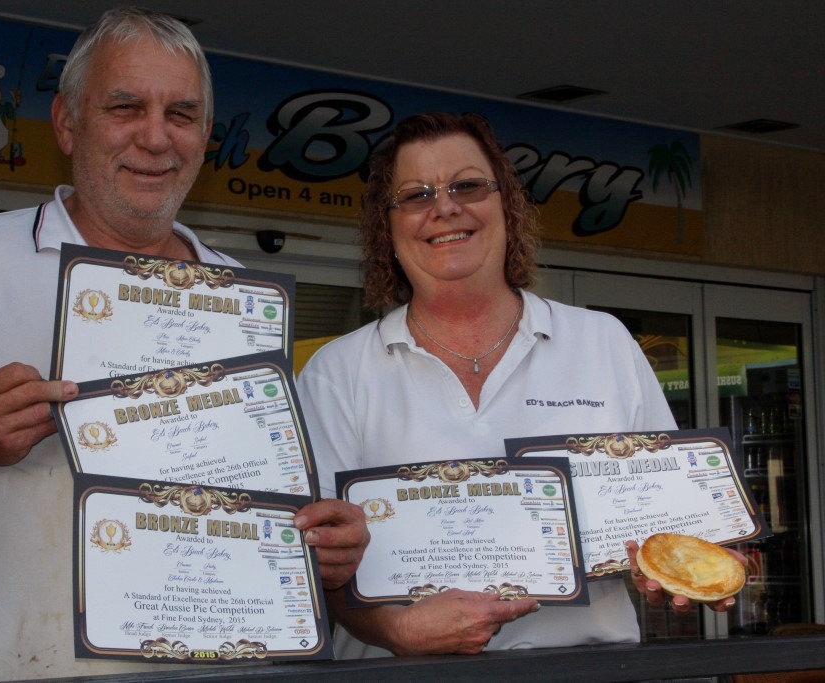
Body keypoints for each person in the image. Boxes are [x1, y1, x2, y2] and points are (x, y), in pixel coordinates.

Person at [0, 8, 366, 682]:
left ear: (203, 136)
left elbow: (278, 501)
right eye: (125, 106)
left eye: (182, 114)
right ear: (67, 122)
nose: (155, 137)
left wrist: (325, 541)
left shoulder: (244, 301)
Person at [296, 111, 740, 659]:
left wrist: (705, 558)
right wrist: (397, 632)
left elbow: (676, 521)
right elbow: (318, 557)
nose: (445, 207)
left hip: (590, 673)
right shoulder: (337, 371)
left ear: (506, 202)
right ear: (385, 227)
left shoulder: (604, 343)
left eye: (467, 185)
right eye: (416, 195)